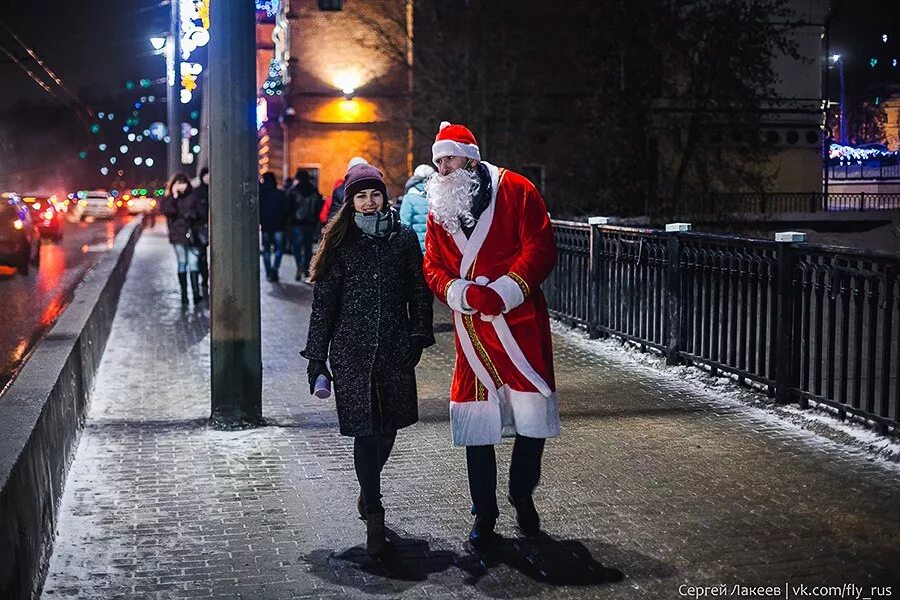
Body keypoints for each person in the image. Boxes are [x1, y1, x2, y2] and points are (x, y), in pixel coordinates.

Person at [421, 122, 559, 545]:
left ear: (471, 157)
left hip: (518, 324)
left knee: (531, 417)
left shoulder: (517, 190)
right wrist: (458, 291)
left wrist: (505, 290)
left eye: (450, 157)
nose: (443, 167)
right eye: (438, 160)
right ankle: (484, 513)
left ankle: (522, 496)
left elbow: (540, 245)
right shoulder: (438, 209)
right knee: (475, 420)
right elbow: (432, 265)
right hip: (472, 331)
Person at [302, 163, 434, 555]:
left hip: (394, 348)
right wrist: (316, 359)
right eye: (361, 195)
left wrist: (418, 334)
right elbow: (323, 306)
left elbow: (419, 290)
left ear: (384, 195)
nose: (369, 201)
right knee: (366, 431)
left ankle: (367, 489)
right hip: (351, 352)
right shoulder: (340, 242)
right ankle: (374, 513)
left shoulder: (403, 237)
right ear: (351, 201)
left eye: (374, 193)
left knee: (388, 428)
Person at [160, 173, 203, 304]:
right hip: (177, 235)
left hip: (193, 234)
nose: (181, 186)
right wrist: (173, 196)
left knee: (193, 262)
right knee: (182, 262)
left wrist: (193, 215)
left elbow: (201, 213)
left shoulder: (193, 196)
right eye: (178, 183)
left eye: (183, 183)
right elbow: (167, 211)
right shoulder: (170, 199)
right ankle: (184, 295)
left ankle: (196, 294)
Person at [287, 170, 323, 281]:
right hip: (310, 223)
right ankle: (307, 269)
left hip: (296, 223)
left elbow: (288, 208)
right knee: (308, 247)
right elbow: (318, 206)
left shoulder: (293, 191)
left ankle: (299, 266)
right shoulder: (314, 190)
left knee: (297, 247)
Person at [259, 171, 289, 282]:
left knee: (266, 250)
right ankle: (275, 269)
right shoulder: (280, 193)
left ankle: (268, 272)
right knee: (279, 249)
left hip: (266, 226)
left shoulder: (260, 194)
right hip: (279, 225)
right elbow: (286, 210)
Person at [399, 163, 435, 253]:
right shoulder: (436, 197)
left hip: (416, 248)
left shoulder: (409, 197)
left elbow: (404, 224)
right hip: (434, 248)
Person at [191, 167, 210, 298]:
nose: (207, 178)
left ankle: (204, 279)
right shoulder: (197, 192)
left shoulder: (215, 191)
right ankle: (203, 279)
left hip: (210, 227)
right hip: (201, 228)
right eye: (205, 176)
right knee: (201, 255)